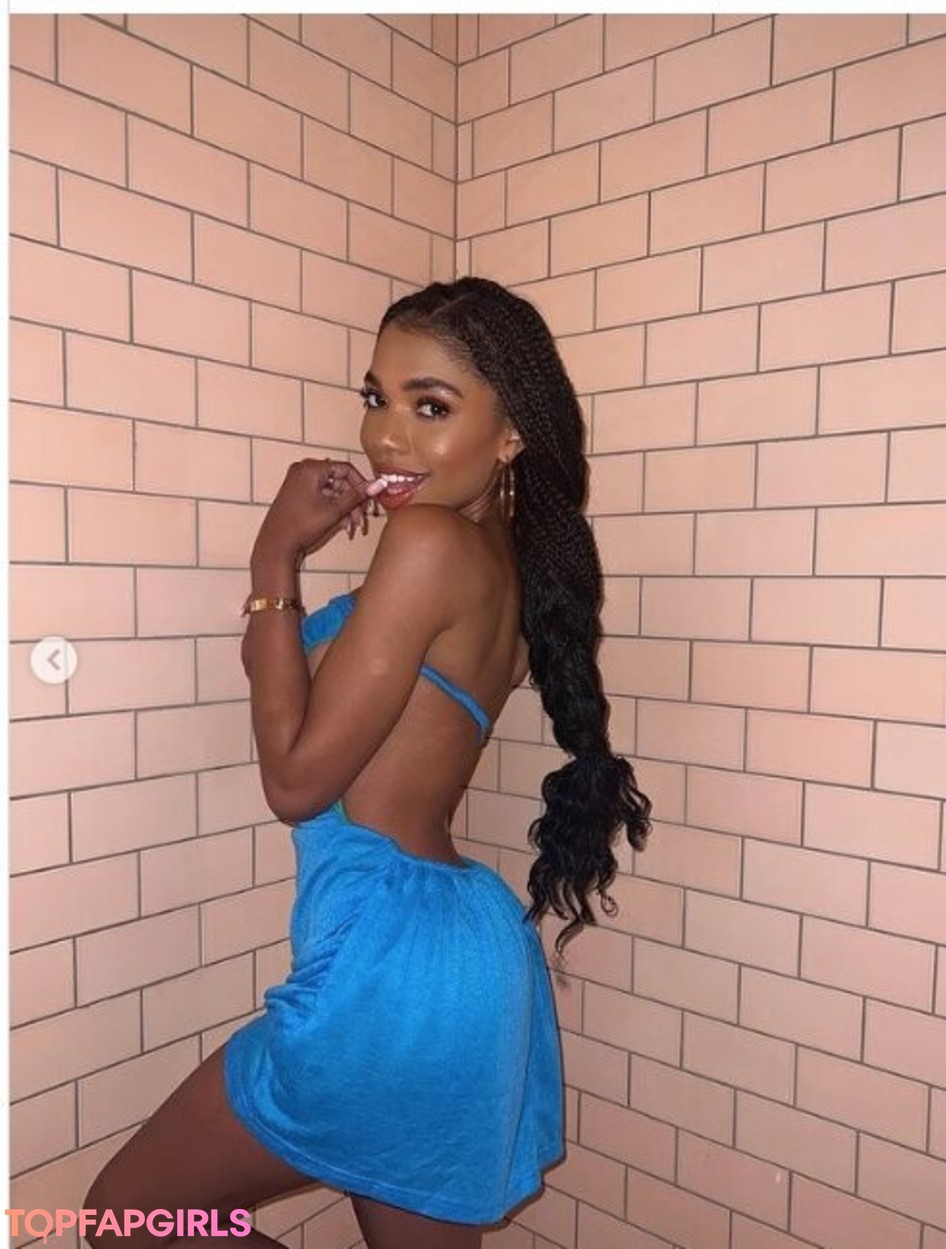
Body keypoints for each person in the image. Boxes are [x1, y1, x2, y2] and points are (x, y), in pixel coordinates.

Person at [84, 277, 651, 1249]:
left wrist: (275, 557)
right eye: (376, 397)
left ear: (510, 434)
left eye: (431, 406)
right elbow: (307, 705)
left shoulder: (427, 543)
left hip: (391, 958)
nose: (387, 436)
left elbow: (297, 781)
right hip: (444, 952)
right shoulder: (492, 567)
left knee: (127, 1216)